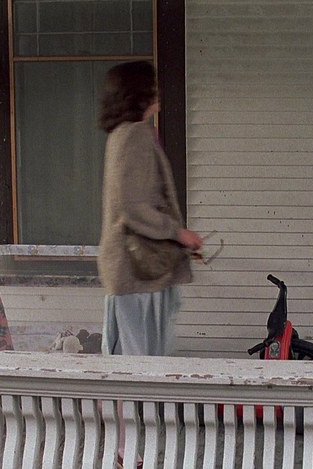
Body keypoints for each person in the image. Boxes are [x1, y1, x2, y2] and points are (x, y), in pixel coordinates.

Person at [98, 60, 203, 358]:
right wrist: (178, 233)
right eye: (152, 85)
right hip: (139, 271)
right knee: (142, 361)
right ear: (138, 93)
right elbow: (131, 206)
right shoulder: (135, 135)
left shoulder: (122, 134)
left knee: (133, 358)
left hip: (134, 270)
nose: (158, 91)